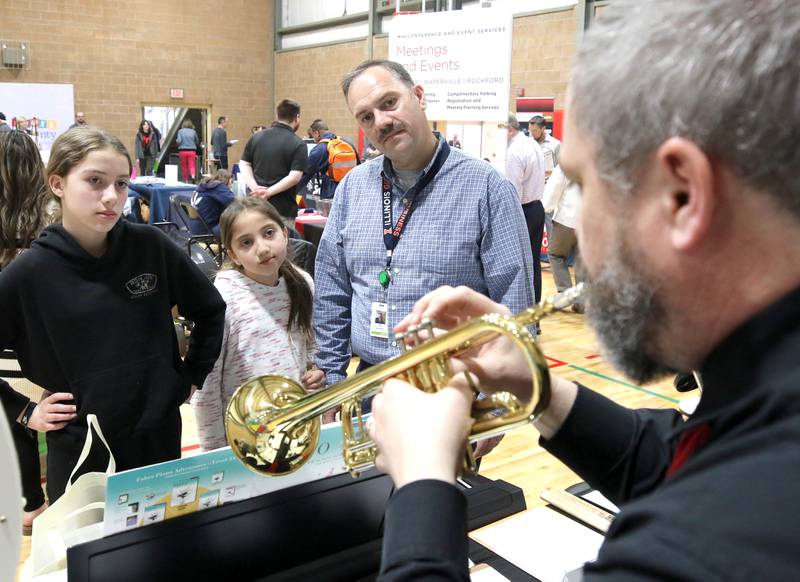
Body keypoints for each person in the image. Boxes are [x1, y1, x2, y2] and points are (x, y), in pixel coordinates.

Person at [367, 0, 800, 579]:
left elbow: (713, 509)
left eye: (580, 184)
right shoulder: (769, 398)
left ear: (682, 196)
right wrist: (537, 387)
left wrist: (421, 482)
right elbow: (690, 462)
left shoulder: (708, 545)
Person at [0, 127, 226, 502]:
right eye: (94, 181)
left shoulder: (150, 247)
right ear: (57, 183)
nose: (111, 197)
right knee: (90, 556)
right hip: (81, 454)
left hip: (158, 441)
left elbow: (210, 310)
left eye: (121, 184)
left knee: (162, 549)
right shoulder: (29, 274)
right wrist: (25, 412)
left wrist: (190, 377)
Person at [313, 60, 534, 424]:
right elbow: (332, 290)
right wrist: (332, 376)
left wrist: (493, 403)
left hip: (452, 391)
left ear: (418, 96)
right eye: (366, 117)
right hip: (367, 388)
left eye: (389, 103)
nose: (381, 121)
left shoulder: (487, 189)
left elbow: (516, 305)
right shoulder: (353, 187)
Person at [191, 197, 324, 451]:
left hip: (294, 428)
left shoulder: (302, 283)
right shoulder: (222, 299)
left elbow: (309, 348)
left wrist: (315, 371)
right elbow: (206, 387)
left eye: (269, 233)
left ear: (284, 234)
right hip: (246, 438)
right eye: (246, 243)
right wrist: (215, 453)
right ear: (233, 255)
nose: (262, 248)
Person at [0, 129, 51, 534]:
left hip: (9, 349)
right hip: (39, 346)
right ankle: (35, 499)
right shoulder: (50, 220)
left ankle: (29, 499)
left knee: (16, 413)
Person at [240, 99, 308, 227]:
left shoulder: (256, 137)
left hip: (256, 206)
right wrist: (268, 192)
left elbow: (244, 164)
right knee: (282, 245)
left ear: (277, 116)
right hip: (282, 211)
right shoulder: (298, 143)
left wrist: (255, 187)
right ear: (297, 117)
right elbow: (294, 177)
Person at [505, 111, 546, 305]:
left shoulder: (515, 151)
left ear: (509, 129)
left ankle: (523, 314)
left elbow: (513, 192)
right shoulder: (532, 144)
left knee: (520, 264)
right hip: (537, 208)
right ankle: (534, 314)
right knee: (533, 264)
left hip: (523, 210)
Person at [542, 164, 584, 311]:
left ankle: (566, 295)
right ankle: (582, 301)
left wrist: (546, 208)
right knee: (582, 261)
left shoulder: (566, 165)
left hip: (567, 219)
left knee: (556, 255)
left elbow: (553, 190)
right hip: (590, 222)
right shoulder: (596, 162)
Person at [297, 118, 360, 200]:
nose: (314, 140)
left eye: (313, 136)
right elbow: (358, 165)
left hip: (331, 192)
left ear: (316, 132)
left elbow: (305, 175)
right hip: (351, 190)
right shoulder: (347, 142)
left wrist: (291, 192)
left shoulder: (319, 149)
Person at [191, 169, 236, 238]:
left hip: (195, 228)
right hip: (208, 230)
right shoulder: (218, 187)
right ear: (227, 179)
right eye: (231, 182)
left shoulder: (203, 186)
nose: (231, 185)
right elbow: (236, 203)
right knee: (240, 223)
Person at [529, 115, 561, 179]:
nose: (532, 133)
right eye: (530, 130)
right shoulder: (529, 144)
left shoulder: (555, 144)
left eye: (535, 131)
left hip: (550, 184)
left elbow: (561, 170)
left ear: (543, 129)